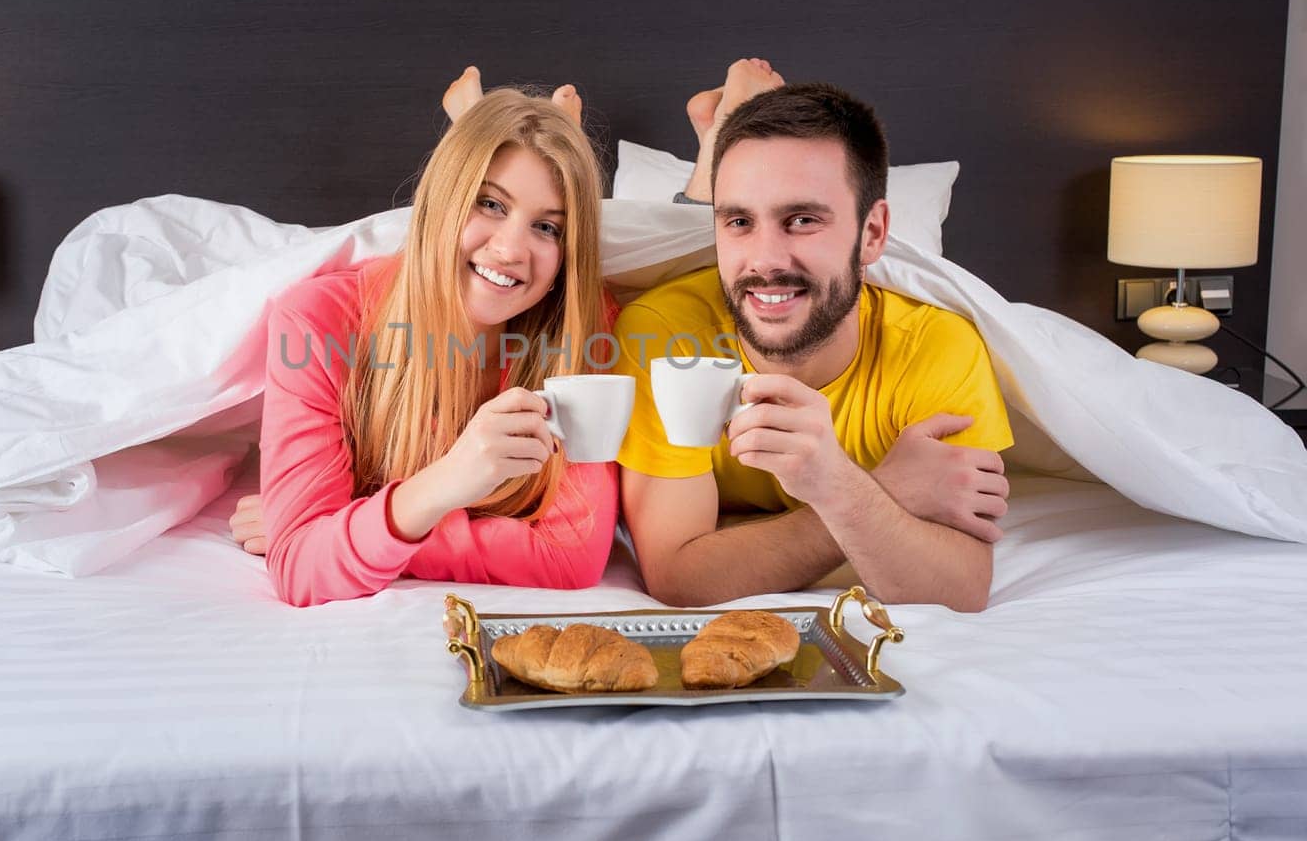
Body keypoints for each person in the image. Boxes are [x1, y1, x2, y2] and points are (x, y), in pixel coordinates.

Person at [613, 62, 1013, 613]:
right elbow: (679, 577)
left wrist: (831, 482)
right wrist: (878, 492)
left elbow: (960, 587)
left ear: (872, 233)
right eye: (738, 222)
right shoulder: (666, 335)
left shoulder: (936, 346)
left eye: (802, 220)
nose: (766, 261)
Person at [232, 69, 618, 606]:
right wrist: (446, 483)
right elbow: (301, 572)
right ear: (441, 202)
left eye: (548, 227)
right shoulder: (316, 323)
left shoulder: (582, 330)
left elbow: (570, 558)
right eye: (490, 203)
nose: (511, 249)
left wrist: (351, 530)